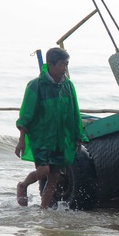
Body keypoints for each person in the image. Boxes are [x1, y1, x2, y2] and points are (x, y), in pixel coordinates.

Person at [15, 47, 88, 208]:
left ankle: (44, 210)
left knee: (55, 177)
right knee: (43, 171)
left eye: (67, 64)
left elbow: (74, 113)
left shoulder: (68, 86)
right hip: (41, 139)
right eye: (62, 64)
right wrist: (21, 140)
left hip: (59, 139)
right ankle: (23, 185)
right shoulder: (36, 85)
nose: (64, 69)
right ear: (50, 64)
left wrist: (78, 137)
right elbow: (26, 114)